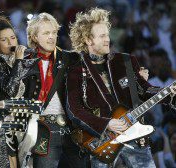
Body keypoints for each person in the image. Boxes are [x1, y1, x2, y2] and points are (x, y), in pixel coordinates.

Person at [66, 7, 176, 168]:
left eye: (107, 35)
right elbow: (75, 110)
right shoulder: (76, 71)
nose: (107, 39)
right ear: (88, 40)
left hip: (135, 135)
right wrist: (106, 124)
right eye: (102, 36)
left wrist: (169, 93)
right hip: (102, 141)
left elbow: (145, 90)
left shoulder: (125, 61)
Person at [22, 12, 88, 168]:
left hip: (70, 130)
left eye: (54, 33)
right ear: (34, 36)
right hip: (41, 129)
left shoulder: (71, 59)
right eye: (46, 33)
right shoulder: (25, 62)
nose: (51, 37)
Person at [0, 16, 37, 168]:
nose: (11, 43)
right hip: (1, 128)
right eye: (4, 40)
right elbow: (10, 90)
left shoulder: (19, 62)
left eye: (13, 37)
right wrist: (19, 61)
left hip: (20, 126)